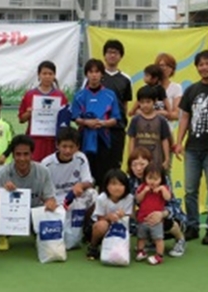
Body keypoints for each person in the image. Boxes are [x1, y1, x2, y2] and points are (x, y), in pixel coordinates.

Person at [175, 50, 208, 245]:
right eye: (200, 64)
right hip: (192, 149)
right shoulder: (191, 90)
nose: (204, 68)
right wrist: (179, 142)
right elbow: (185, 118)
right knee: (190, 191)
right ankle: (192, 226)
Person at [0, 135, 57, 251]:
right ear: (13, 155)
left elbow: (50, 198)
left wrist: (50, 203)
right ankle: (4, 236)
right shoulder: (3, 172)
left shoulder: (43, 171)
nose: (22, 158)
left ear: (32, 154)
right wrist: (2, 192)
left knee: (54, 211)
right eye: (18, 154)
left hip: (34, 213)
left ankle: (39, 234)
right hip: (13, 214)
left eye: (26, 154)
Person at [127, 147, 186, 258]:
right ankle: (151, 242)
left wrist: (161, 214)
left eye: (142, 164)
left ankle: (180, 240)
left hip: (167, 215)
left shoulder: (162, 179)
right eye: (134, 165)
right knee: (139, 226)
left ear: (150, 164)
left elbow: (173, 204)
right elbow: (133, 202)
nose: (138, 168)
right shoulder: (131, 181)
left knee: (167, 222)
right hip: (145, 215)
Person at [72, 58, 121, 190]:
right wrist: (86, 122)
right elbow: (75, 117)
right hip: (84, 140)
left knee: (104, 176)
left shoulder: (110, 95)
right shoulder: (79, 95)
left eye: (97, 72)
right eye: (90, 72)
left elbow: (115, 119)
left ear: (102, 74)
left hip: (104, 140)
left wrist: (102, 123)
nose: (94, 75)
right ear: (86, 74)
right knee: (86, 175)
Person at [18, 60, 68, 161]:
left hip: (52, 140)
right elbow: (21, 119)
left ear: (54, 75)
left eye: (50, 74)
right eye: (44, 73)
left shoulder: (60, 96)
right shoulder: (30, 95)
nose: (47, 76)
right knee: (34, 167)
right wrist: (29, 113)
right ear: (39, 75)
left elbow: (65, 119)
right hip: (35, 139)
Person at [86, 169, 133, 261]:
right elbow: (99, 218)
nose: (117, 188)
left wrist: (124, 215)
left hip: (120, 228)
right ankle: (93, 246)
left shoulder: (129, 198)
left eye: (121, 184)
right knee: (102, 225)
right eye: (113, 184)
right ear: (106, 185)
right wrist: (109, 217)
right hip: (101, 228)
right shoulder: (101, 198)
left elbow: (130, 217)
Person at [101, 39, 133, 169]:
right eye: (109, 52)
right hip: (98, 128)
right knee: (97, 166)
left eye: (115, 53)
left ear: (120, 56)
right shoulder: (95, 76)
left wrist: (122, 122)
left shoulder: (126, 79)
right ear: (104, 55)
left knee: (114, 165)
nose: (112, 55)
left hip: (117, 129)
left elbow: (124, 104)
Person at [41, 127, 93, 205]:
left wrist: (81, 185)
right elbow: (42, 190)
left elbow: (88, 181)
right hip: (54, 200)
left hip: (75, 197)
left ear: (77, 146)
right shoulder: (46, 164)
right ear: (57, 145)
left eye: (71, 147)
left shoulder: (81, 158)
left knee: (92, 193)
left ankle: (88, 217)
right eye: (64, 146)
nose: (68, 151)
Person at [135, 163, 171, 265]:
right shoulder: (142, 187)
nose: (153, 181)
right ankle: (140, 251)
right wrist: (144, 192)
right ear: (145, 177)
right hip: (143, 218)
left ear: (161, 179)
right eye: (150, 178)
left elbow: (168, 198)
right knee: (141, 237)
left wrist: (163, 189)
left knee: (158, 238)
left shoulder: (164, 188)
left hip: (157, 221)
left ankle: (159, 256)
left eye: (156, 179)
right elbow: (138, 199)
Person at [127, 86, 171, 169]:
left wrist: (167, 158)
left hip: (156, 161)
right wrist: (131, 158)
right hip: (139, 162)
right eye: (142, 102)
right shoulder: (135, 120)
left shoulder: (161, 120)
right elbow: (132, 139)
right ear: (138, 103)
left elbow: (164, 140)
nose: (145, 105)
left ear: (154, 101)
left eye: (148, 102)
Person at [155, 53, 182, 121]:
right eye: (162, 65)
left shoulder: (176, 88)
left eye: (169, 66)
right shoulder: (148, 86)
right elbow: (137, 111)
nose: (165, 68)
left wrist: (164, 113)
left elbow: (177, 114)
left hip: (166, 129)